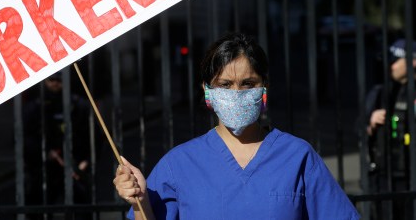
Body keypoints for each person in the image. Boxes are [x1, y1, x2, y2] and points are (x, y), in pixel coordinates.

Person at [113, 32, 360, 219]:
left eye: (248, 83)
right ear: (208, 92)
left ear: (264, 88)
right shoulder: (178, 164)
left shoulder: (297, 156)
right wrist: (140, 202)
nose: (237, 93)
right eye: (225, 84)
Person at [365, 38, 416, 219]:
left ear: (413, 62)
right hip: (386, 175)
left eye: (395, 61)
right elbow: (360, 130)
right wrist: (370, 123)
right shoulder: (380, 92)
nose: (391, 66)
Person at [23, 73, 92, 219]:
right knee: (39, 208)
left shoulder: (79, 105)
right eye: (51, 79)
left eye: (59, 80)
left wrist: (85, 161)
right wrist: (46, 153)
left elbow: (92, 136)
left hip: (75, 166)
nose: (55, 83)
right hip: (44, 168)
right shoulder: (35, 107)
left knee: (81, 209)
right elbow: (23, 138)